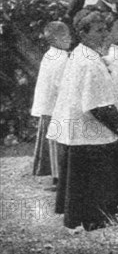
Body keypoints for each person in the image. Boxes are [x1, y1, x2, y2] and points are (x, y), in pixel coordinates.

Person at [51, 9, 118, 230]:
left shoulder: (84, 54)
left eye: (105, 29)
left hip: (81, 131)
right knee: (94, 183)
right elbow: (98, 106)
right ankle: (94, 222)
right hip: (89, 133)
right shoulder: (88, 62)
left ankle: (89, 220)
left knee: (85, 184)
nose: (104, 34)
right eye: (98, 30)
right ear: (83, 34)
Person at [31, 21, 71, 187]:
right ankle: (58, 176)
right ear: (55, 39)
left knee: (53, 142)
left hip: (48, 105)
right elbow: (60, 83)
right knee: (57, 142)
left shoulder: (50, 54)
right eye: (66, 36)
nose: (69, 39)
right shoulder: (61, 58)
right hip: (55, 105)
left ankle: (56, 175)